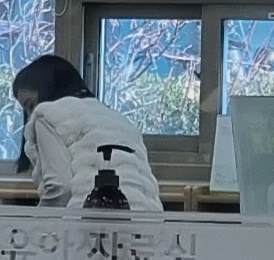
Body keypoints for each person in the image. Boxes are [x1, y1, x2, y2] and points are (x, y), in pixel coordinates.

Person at [10, 52, 163, 212]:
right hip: (146, 221)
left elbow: (60, 189)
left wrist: (34, 222)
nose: (30, 115)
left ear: (48, 90)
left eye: (30, 105)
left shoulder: (47, 116)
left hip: (90, 219)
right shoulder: (121, 121)